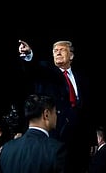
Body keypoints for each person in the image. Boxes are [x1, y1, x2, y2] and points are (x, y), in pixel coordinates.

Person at [17, 39, 93, 173]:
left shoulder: (81, 77)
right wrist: (29, 55)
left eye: (62, 50)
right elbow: (33, 67)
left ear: (71, 56)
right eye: (55, 51)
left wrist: (91, 139)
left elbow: (88, 110)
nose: (58, 53)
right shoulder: (47, 71)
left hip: (79, 138)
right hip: (56, 135)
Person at [0, 94, 67, 173]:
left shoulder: (6, 149)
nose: (56, 116)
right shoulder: (56, 150)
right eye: (55, 112)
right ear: (46, 114)